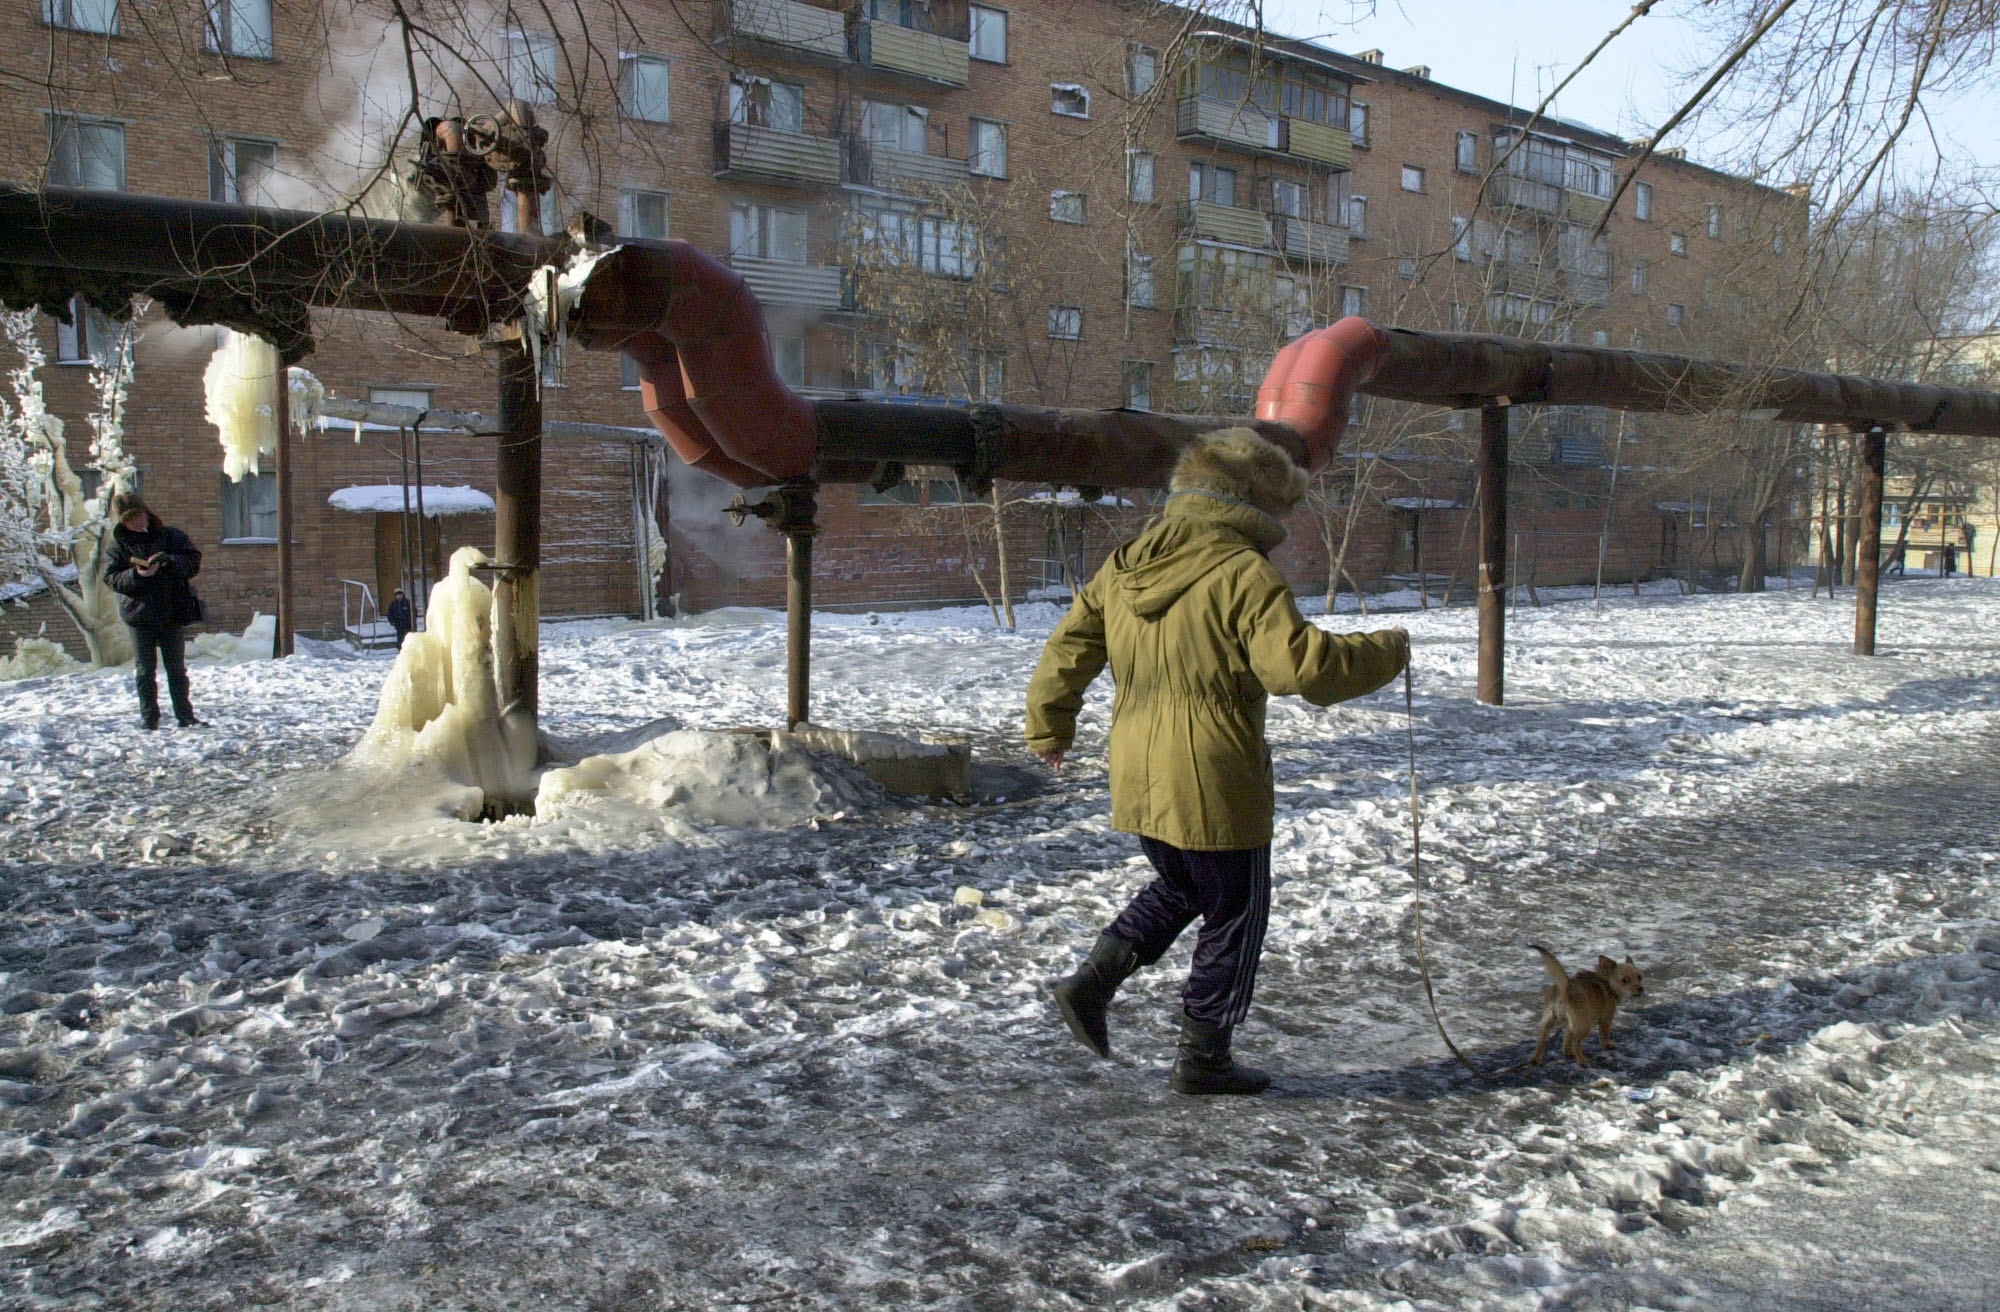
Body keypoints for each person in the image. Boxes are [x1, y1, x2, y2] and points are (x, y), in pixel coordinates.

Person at [1025, 428, 1410, 1096]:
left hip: (1139, 764)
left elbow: (1068, 647)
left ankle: (1091, 982)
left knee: (1184, 885)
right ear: (1255, 501)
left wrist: (1048, 726)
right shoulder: (1242, 570)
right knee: (1236, 910)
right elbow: (1298, 667)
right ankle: (1204, 1057)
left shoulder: (1127, 561)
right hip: (1214, 770)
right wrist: (1386, 650)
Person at [102, 492, 203, 730]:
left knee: (176, 668)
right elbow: (111, 578)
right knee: (145, 671)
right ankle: (149, 718)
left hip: (171, 611)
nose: (137, 522)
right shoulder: (118, 546)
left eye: (140, 515)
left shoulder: (171, 536)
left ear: (147, 513)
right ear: (123, 521)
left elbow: (193, 560)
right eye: (130, 519)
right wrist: (136, 575)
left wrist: (169, 562)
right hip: (140, 614)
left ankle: (185, 716)